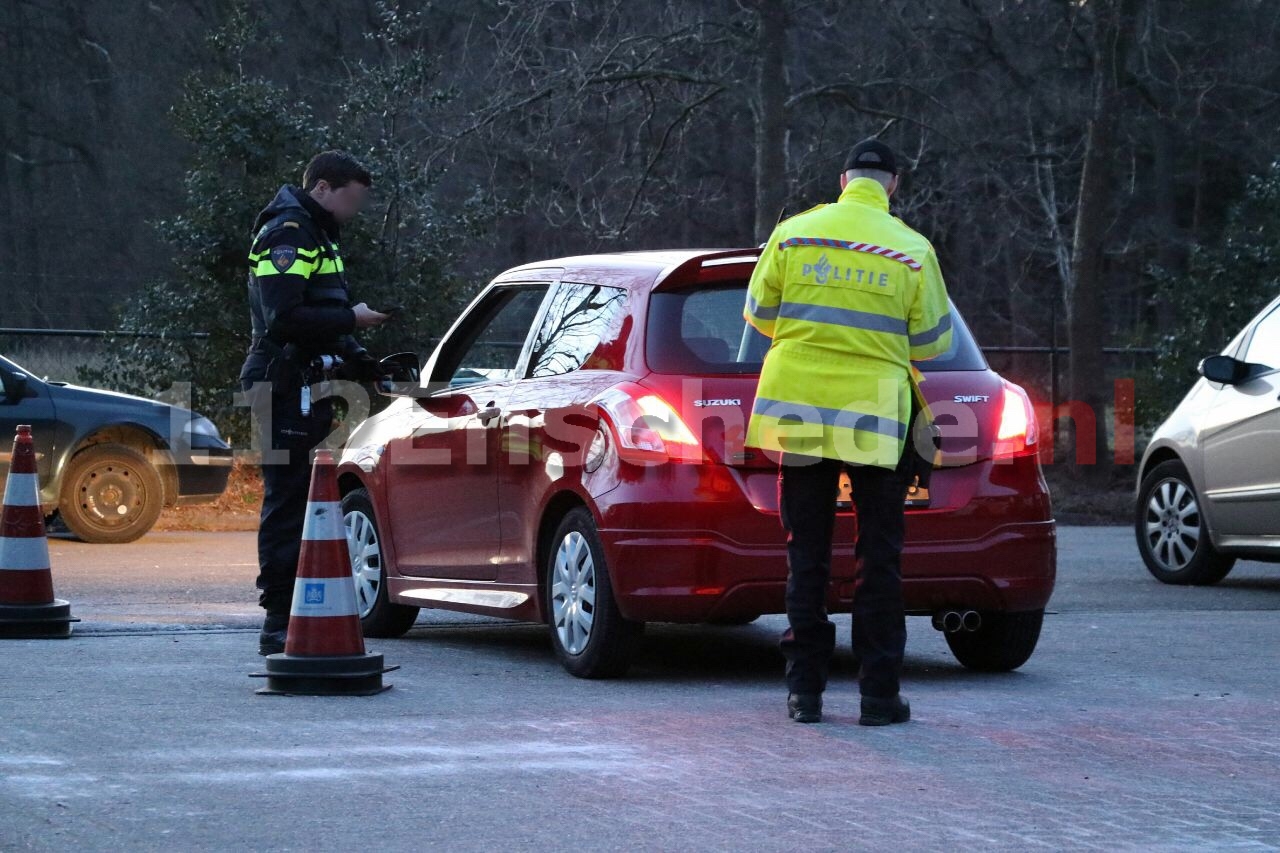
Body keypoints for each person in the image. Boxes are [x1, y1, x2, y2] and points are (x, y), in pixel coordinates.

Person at [744, 138, 953, 725]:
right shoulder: (913, 250)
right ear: (893, 184)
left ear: (843, 180)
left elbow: (758, 316)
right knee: (878, 559)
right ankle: (878, 697)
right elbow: (933, 343)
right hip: (876, 420)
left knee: (805, 556)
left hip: (800, 411)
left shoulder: (794, 234)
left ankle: (803, 693)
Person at [238, 150, 390, 655]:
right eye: (351, 199)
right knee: (287, 501)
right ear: (322, 187)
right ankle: (278, 620)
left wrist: (361, 359)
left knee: (305, 500)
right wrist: (351, 321)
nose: (354, 210)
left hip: (307, 385)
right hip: (281, 387)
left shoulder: (317, 233)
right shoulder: (288, 232)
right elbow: (285, 318)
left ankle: (301, 611)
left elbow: (320, 310)